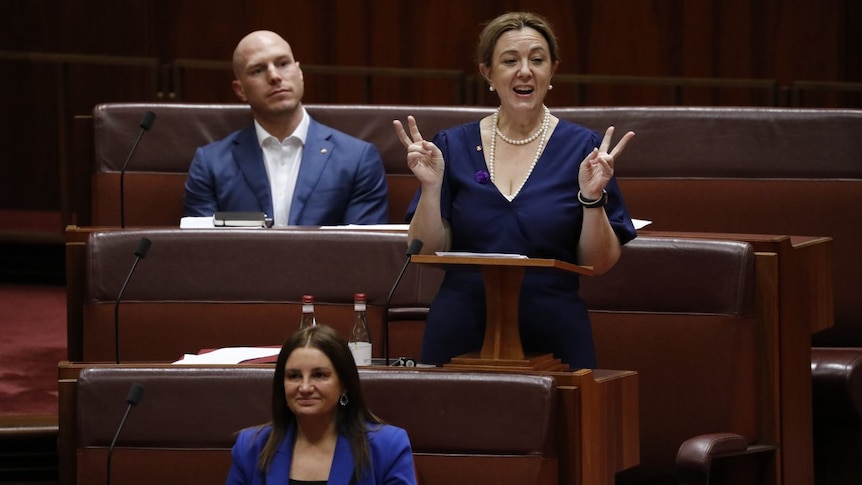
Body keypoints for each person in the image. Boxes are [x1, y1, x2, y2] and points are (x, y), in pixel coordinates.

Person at [392, 12, 637, 370]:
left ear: (553, 70)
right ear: (488, 73)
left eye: (537, 60)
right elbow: (425, 252)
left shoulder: (585, 149)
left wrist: (591, 198)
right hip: (460, 327)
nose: (525, 71)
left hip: (554, 329)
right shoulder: (451, 145)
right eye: (510, 61)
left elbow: (599, 263)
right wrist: (430, 189)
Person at [184, 30, 389, 226]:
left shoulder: (357, 159)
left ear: (299, 73)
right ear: (240, 90)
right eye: (258, 70)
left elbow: (364, 252)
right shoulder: (211, 164)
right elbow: (205, 251)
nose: (274, 76)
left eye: (283, 64)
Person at [225, 325, 417, 485]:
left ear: (344, 384)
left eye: (319, 375)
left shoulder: (388, 447)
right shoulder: (251, 447)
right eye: (294, 376)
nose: (305, 387)